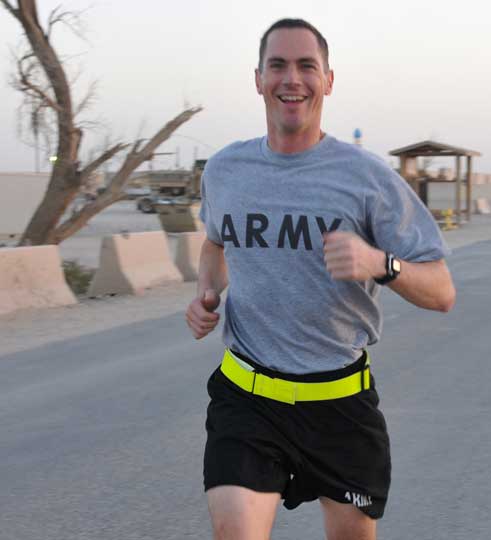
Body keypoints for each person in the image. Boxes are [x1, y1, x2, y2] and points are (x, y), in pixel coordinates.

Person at [185, 19, 455, 540]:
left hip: (339, 404)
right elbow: (216, 244)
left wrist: (381, 264)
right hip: (248, 397)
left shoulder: (367, 178)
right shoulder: (224, 170)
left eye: (307, 66)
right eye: (278, 65)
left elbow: (442, 290)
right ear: (258, 78)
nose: (292, 79)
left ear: (328, 80)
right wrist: (207, 293)